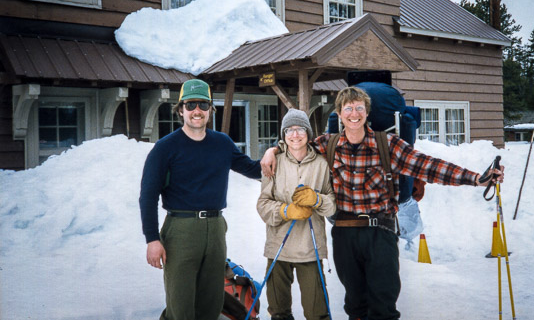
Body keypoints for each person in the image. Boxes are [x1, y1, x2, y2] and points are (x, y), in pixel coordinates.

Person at [261, 86, 504, 320]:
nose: (354, 114)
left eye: (359, 108)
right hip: (345, 235)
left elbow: (428, 166)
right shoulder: (328, 145)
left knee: (383, 303)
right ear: (339, 115)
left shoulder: (388, 145)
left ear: (367, 113)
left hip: (381, 232)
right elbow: (295, 145)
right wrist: (272, 150)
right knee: (355, 304)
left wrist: (476, 179)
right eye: (348, 109)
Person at [139, 79, 262, 320]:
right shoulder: (165, 148)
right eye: (191, 104)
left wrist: (276, 153)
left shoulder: (222, 144)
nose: (197, 111)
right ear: (181, 109)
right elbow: (148, 196)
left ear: (210, 110)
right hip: (181, 230)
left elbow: (253, 170)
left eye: (203, 105)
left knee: (211, 301)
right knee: (181, 303)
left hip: (216, 228)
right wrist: (152, 239)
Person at [257, 109, 336, 320]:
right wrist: (286, 210)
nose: (295, 134)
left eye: (300, 129)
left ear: (308, 133)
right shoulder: (273, 162)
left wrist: (317, 200)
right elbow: (263, 205)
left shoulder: (322, 163)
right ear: (283, 135)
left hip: (310, 249)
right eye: (289, 130)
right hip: (278, 248)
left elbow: (332, 206)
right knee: (279, 312)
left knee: (317, 312)